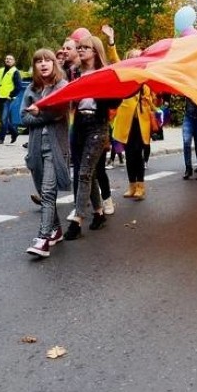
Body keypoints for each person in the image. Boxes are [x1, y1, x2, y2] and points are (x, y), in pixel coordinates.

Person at [64, 35, 120, 240]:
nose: (80, 51)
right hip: (78, 124)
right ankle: (98, 212)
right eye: (79, 48)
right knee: (89, 173)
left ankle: (77, 220)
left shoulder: (105, 73)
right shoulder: (74, 73)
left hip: (97, 126)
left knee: (85, 173)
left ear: (95, 51)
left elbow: (116, 99)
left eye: (85, 48)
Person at [21, 49, 70, 258]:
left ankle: (43, 240)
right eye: (38, 61)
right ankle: (56, 229)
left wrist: (39, 112)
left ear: (54, 64)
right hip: (35, 149)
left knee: (48, 193)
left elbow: (60, 113)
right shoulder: (31, 88)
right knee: (44, 192)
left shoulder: (62, 87)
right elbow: (24, 118)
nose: (43, 64)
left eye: (47, 60)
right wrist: (43, 115)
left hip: (55, 148)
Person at [112, 49, 157, 201]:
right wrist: (111, 44)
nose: (137, 59)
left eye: (139, 57)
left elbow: (152, 100)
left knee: (138, 155)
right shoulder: (126, 75)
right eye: (133, 57)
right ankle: (131, 185)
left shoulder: (146, 77)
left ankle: (140, 186)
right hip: (126, 121)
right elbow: (117, 61)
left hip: (141, 122)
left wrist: (147, 98)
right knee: (129, 155)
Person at [0, 54, 23, 144]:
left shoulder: (15, 72)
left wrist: (11, 95)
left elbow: (18, 86)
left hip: (8, 98)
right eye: (6, 58)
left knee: (3, 119)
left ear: (14, 62)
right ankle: (14, 132)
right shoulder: (0, 70)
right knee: (1, 119)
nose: (8, 60)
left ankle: (0, 139)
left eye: (10, 59)